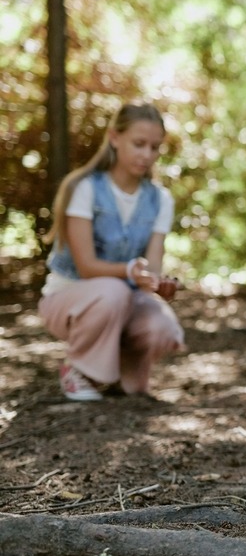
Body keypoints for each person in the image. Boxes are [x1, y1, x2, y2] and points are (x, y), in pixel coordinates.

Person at [38, 102, 184, 401]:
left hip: (122, 301)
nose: (147, 155)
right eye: (139, 144)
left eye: (155, 147)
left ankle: (120, 375)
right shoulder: (85, 188)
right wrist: (130, 272)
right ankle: (78, 369)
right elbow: (88, 266)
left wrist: (158, 284)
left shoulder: (160, 199)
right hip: (71, 299)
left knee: (162, 324)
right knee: (112, 291)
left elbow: (153, 266)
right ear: (114, 138)